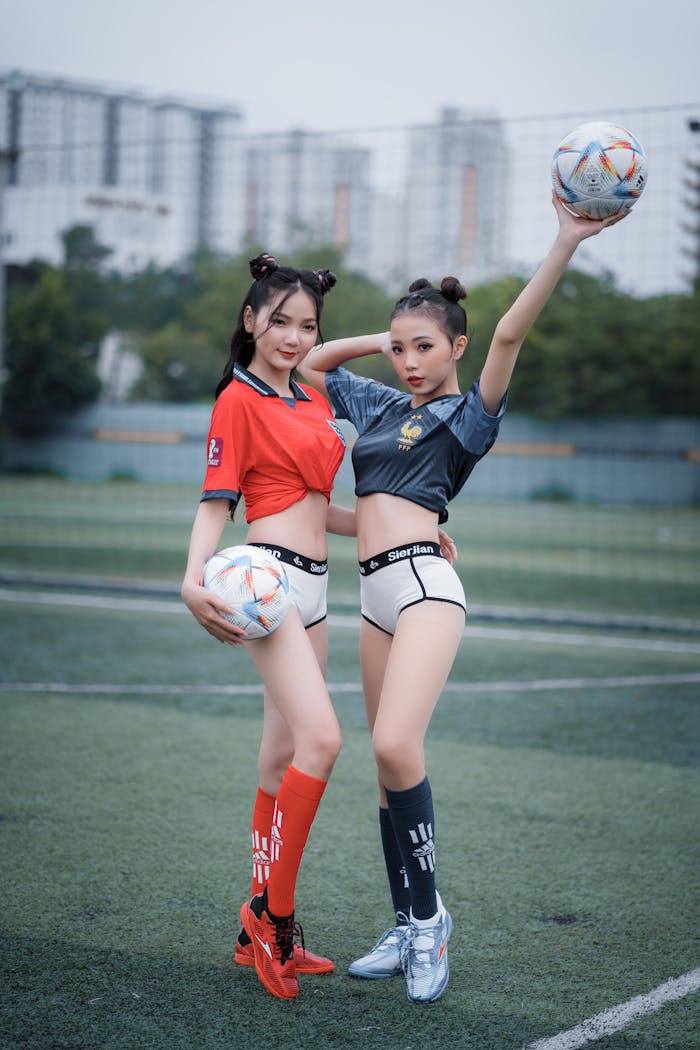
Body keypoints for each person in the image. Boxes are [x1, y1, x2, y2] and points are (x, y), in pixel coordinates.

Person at [301, 193, 627, 1003]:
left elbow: (511, 332)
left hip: (424, 589)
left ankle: (431, 921)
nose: (409, 361)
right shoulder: (378, 405)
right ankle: (407, 924)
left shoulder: (465, 416)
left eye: (425, 347)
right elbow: (311, 368)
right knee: (385, 773)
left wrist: (565, 240)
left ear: (457, 346)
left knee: (395, 746)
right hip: (374, 590)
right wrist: (385, 334)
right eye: (401, 348)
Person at [181, 253, 354, 1001]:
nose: (291, 336)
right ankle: (271, 916)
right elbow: (217, 501)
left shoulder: (312, 400)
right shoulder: (238, 399)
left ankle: (249, 930)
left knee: (281, 753)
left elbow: (323, 509)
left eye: (306, 326)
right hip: (267, 579)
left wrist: (396, 532)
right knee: (324, 740)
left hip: (317, 585)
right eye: (278, 320)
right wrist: (192, 579)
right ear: (249, 321)